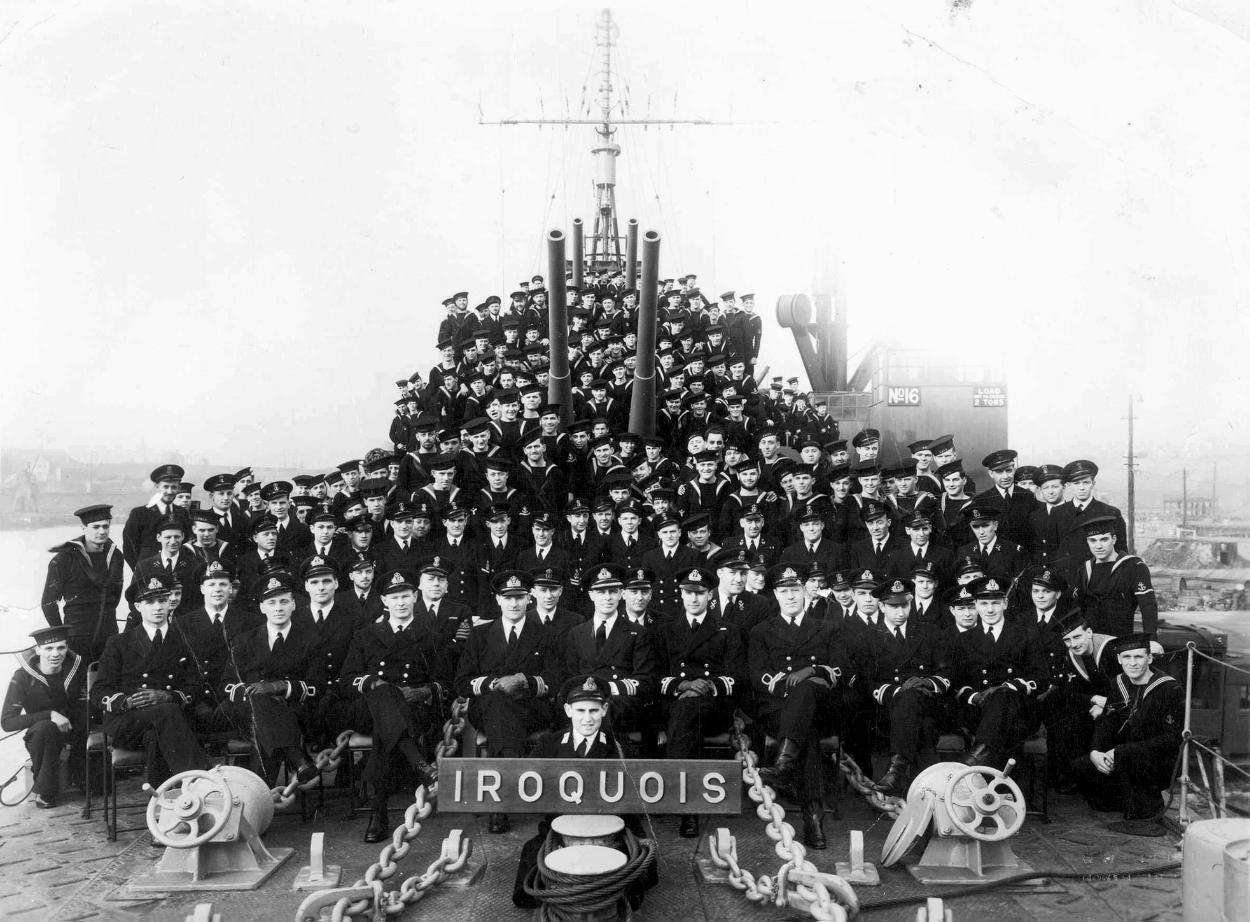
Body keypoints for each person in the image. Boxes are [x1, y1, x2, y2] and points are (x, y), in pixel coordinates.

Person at [512, 676, 658, 910]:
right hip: (561, 825)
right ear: (568, 710)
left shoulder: (620, 746)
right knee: (531, 860)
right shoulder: (549, 744)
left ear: (604, 710)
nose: (587, 718)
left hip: (612, 825)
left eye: (594, 710)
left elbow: (635, 795)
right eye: (580, 710)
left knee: (633, 876)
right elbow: (531, 790)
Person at [341, 570, 449, 842]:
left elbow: (445, 682)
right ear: (384, 601)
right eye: (393, 597)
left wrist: (423, 690)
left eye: (405, 596)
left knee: (384, 729)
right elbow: (346, 680)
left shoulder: (430, 635)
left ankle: (378, 814)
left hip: (413, 709)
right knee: (384, 696)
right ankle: (419, 763)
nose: (400, 602)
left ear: (415, 597)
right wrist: (373, 685)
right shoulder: (364, 635)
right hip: (368, 708)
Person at [454, 570, 562, 834]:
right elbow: (462, 681)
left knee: (503, 711)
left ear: (529, 600)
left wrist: (524, 680)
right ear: (498, 600)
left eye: (520, 597)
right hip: (489, 708)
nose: (514, 603)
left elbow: (556, 679)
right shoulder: (480, 635)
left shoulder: (545, 634)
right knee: (499, 704)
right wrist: (493, 683)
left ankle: (499, 802)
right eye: (508, 597)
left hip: (531, 708)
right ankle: (510, 785)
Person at [750, 563, 846, 848]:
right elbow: (757, 675)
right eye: (784, 590)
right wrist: (796, 685)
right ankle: (813, 817)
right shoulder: (762, 631)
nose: (790, 596)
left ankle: (783, 765)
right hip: (779, 708)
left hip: (822, 705)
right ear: (775, 595)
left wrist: (812, 672)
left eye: (795, 589)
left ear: (805, 591)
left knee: (807, 695)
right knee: (809, 731)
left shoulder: (827, 628)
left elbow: (841, 669)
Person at [652, 565, 746, 837]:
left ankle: (680, 799)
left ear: (710, 596)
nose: (693, 599)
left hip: (713, 706)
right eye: (688, 593)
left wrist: (704, 686)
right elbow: (655, 675)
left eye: (700, 593)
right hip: (675, 702)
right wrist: (682, 684)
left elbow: (737, 678)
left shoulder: (727, 630)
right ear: (681, 595)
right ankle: (688, 807)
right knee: (685, 711)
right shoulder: (665, 630)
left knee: (689, 710)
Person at [91, 573, 209, 785]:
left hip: (170, 721)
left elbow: (196, 685)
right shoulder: (119, 642)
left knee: (158, 732)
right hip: (128, 720)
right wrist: (124, 702)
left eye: (163, 600)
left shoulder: (185, 640)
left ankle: (163, 801)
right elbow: (99, 691)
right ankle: (201, 780)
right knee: (168, 713)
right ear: (138, 606)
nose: (158, 607)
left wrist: (167, 696)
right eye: (150, 602)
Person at [1073, 633, 1183, 836]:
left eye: (1139, 657)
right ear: (1119, 660)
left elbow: (1171, 739)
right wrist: (1096, 751)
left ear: (1149, 658)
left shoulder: (1169, 688)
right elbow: (1108, 721)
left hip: (1158, 761)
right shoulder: (1119, 683)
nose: (1132, 663)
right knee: (1082, 767)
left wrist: (1122, 750)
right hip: (1123, 755)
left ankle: (1145, 808)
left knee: (1126, 757)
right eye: (1127, 657)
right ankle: (1122, 799)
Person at [220, 572, 323, 786]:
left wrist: (280, 686)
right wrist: (252, 693)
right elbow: (228, 683)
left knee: (265, 726)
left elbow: (317, 685)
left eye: (284, 601)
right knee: (259, 703)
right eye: (271, 602)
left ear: (294, 605)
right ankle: (298, 758)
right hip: (244, 711)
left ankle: (257, 799)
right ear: (262, 607)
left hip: (292, 710)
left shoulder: (310, 639)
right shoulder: (245, 640)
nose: (278, 608)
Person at [867, 579, 951, 797]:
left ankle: (897, 770)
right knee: (923, 726)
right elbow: (864, 680)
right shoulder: (869, 637)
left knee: (916, 702)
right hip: (886, 710)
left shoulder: (929, 632)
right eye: (894, 606)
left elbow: (946, 672)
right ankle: (933, 796)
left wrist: (926, 682)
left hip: (928, 701)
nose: (900, 611)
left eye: (905, 605)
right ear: (882, 606)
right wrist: (898, 692)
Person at [2, 626, 87, 808]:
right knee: (45, 728)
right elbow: (7, 722)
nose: (55, 654)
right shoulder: (23, 676)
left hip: (76, 732)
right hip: (44, 737)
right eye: (49, 648)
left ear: (67, 648)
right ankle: (45, 790)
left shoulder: (77, 669)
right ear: (38, 650)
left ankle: (81, 774)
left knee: (97, 790)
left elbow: (84, 706)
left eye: (61, 648)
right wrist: (49, 715)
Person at [41, 504, 125, 661]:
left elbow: (116, 595)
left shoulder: (115, 556)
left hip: (108, 632)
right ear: (83, 527)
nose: (102, 531)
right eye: (96, 527)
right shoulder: (64, 559)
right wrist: (61, 634)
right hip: (76, 635)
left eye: (106, 526)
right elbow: (48, 603)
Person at [1072, 516, 1158, 637]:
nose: (1098, 546)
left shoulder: (1133, 566)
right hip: (1090, 643)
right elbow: (1076, 608)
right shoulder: (1084, 570)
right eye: (1093, 540)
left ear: (1114, 539)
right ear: (1087, 542)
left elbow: (1148, 605)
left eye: (1104, 539)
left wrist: (1152, 639)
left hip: (1121, 642)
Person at [122, 464, 191, 568]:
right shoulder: (139, 513)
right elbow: (129, 546)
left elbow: (185, 543)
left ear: (178, 487)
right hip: (148, 572)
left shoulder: (183, 513)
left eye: (174, 487)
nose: (170, 491)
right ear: (157, 486)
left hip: (177, 571)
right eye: (166, 487)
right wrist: (139, 569)